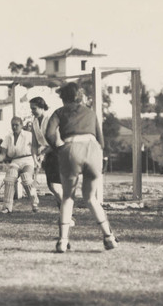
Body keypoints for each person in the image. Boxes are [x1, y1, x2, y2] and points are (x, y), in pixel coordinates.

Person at [46, 82, 118, 253]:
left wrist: (59, 149)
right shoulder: (91, 112)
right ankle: (109, 236)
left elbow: (49, 134)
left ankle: (63, 241)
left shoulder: (60, 112)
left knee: (68, 197)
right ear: (79, 96)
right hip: (93, 151)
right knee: (91, 198)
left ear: (63, 97)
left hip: (71, 148)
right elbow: (101, 140)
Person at [30, 96, 75, 226]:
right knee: (53, 187)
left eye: (34, 108)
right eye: (31, 109)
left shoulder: (51, 118)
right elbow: (34, 143)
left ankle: (69, 216)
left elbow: (56, 141)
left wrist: (43, 153)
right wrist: (35, 159)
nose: (32, 111)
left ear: (42, 107)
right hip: (47, 155)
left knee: (56, 186)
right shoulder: (34, 122)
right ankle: (64, 216)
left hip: (58, 153)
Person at [0, 116, 39, 213]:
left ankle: (34, 202)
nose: (14, 127)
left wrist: (37, 160)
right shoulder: (8, 137)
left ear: (21, 125)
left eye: (17, 125)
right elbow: (3, 154)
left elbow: (35, 149)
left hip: (28, 159)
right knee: (10, 177)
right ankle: (7, 207)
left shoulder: (29, 135)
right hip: (15, 161)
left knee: (27, 178)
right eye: (13, 125)